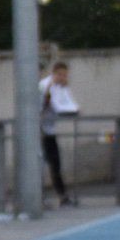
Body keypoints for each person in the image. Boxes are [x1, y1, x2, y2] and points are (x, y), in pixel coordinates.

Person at [38, 61, 78, 207]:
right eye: (60, 75)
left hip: (49, 130)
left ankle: (63, 196)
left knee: (55, 163)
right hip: (40, 131)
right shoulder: (45, 85)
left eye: (65, 75)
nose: (63, 78)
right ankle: (40, 198)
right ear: (54, 73)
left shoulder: (60, 86)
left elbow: (67, 103)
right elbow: (44, 104)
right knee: (41, 164)